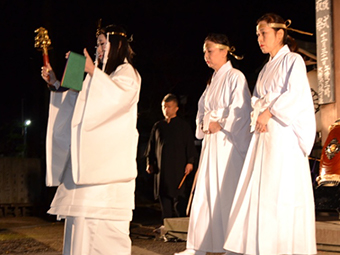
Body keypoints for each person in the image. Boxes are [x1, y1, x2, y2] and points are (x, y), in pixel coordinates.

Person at [40, 24, 141, 255]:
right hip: (86, 171)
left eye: (103, 44)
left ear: (117, 45)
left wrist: (93, 72)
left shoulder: (127, 73)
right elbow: (79, 106)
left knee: (102, 234)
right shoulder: (103, 76)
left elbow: (116, 99)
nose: (98, 49)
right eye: (97, 45)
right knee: (80, 227)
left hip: (108, 175)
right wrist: (57, 83)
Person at [224, 13, 317, 255]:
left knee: (281, 192)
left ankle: (284, 247)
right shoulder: (266, 68)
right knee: (263, 193)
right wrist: (259, 114)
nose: (259, 39)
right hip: (265, 136)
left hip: (282, 137)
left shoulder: (293, 60)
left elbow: (295, 94)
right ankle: (262, 246)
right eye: (257, 34)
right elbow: (255, 99)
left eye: (263, 33)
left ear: (279, 33)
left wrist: (270, 111)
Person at [175, 33, 252, 255]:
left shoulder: (235, 76)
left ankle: (232, 247)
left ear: (224, 50)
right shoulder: (212, 80)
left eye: (210, 51)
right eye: (204, 52)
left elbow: (241, 111)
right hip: (211, 144)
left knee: (225, 192)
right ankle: (198, 245)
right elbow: (201, 111)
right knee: (206, 193)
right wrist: (203, 124)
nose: (206, 56)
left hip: (227, 144)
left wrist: (221, 122)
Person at [145, 93, 197, 223]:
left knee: (179, 198)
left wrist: (190, 162)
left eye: (169, 106)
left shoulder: (183, 126)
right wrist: (149, 162)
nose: (166, 109)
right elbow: (151, 146)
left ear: (176, 108)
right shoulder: (158, 126)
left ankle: (181, 226)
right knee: (164, 197)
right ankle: (166, 226)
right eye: (164, 106)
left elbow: (190, 145)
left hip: (178, 168)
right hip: (162, 169)